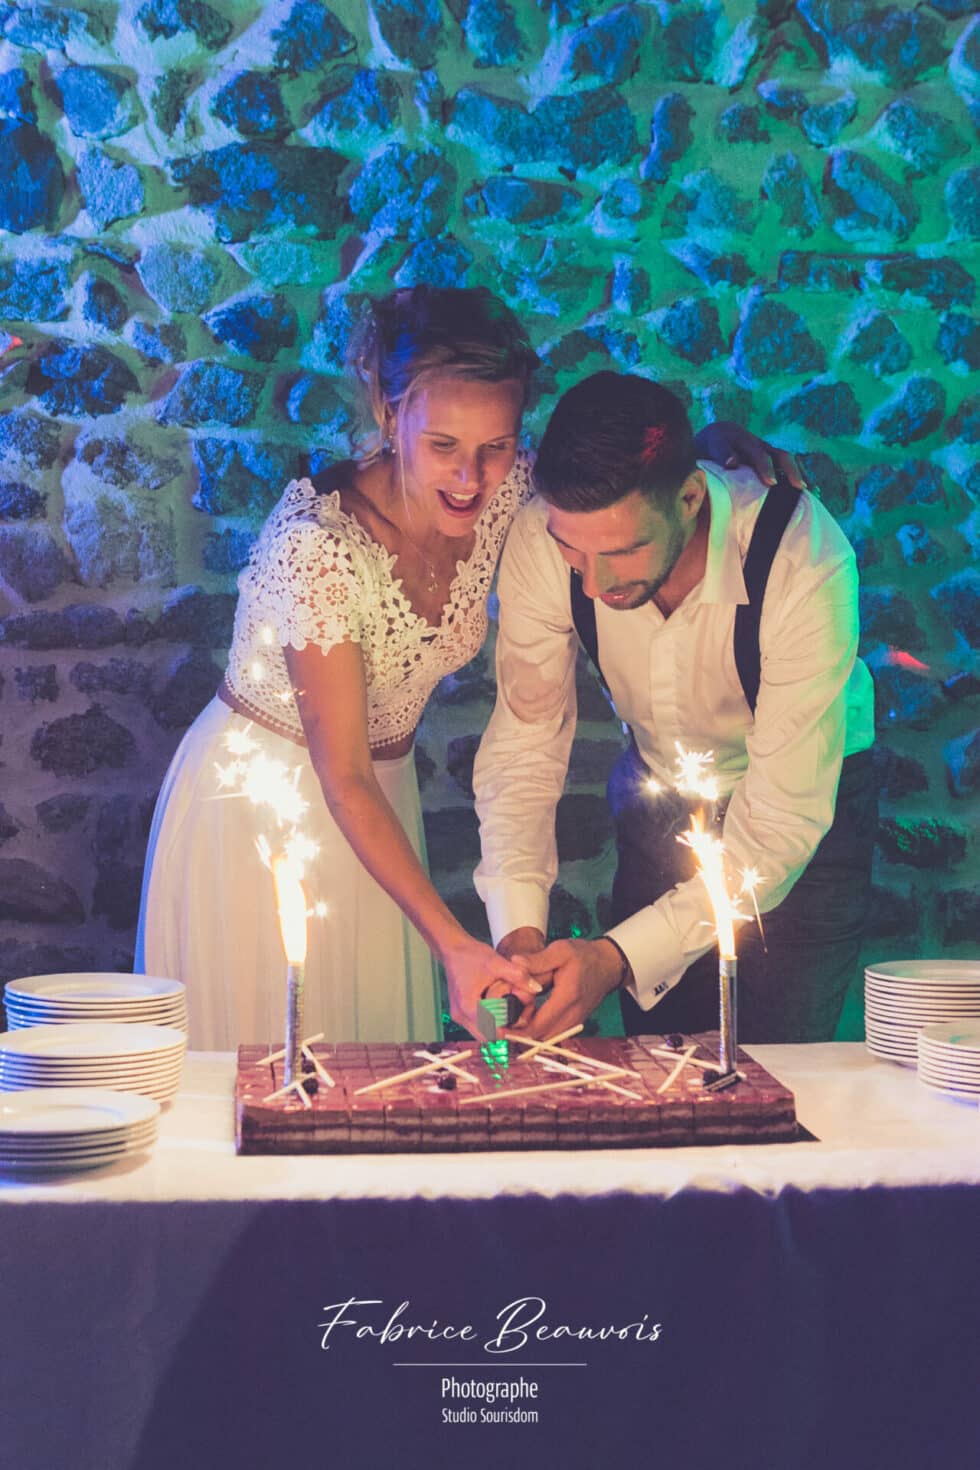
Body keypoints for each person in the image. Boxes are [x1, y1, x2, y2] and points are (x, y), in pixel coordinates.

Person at [137, 289, 798, 1049]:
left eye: (497, 446)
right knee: (272, 1061)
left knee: (371, 1067)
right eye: (443, 445)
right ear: (390, 415)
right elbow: (342, 773)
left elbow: (620, 479)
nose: (470, 477)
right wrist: (454, 942)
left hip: (383, 809)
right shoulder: (317, 545)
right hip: (265, 809)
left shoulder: (509, 493)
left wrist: (705, 449)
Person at [472, 370, 877, 1045]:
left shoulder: (801, 558)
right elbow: (524, 742)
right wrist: (518, 940)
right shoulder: (543, 538)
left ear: (690, 497)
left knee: (777, 1068)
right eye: (575, 552)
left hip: (803, 814)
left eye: (623, 551)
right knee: (659, 1068)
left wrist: (614, 959)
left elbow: (780, 823)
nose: (595, 585)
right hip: (660, 803)